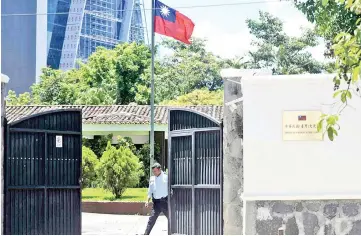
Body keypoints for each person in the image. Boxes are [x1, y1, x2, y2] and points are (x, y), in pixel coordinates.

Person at [144, 163, 169, 235]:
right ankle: (146, 234)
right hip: (156, 204)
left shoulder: (166, 177)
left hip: (165, 202)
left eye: (155, 171)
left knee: (171, 219)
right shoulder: (152, 179)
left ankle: (174, 233)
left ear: (159, 169)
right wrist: (147, 201)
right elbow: (150, 191)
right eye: (153, 171)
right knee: (151, 220)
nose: (154, 173)